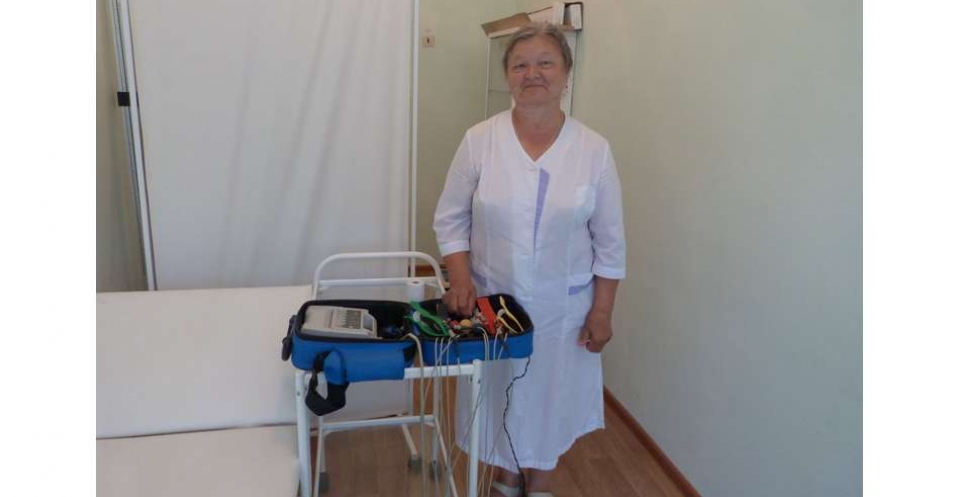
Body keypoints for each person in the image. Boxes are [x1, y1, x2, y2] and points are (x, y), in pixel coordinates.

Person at [433, 22, 626, 497]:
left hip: (565, 307)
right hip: (493, 299)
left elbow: (610, 243)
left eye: (545, 63)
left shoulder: (593, 150)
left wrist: (602, 311)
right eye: (520, 65)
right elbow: (450, 219)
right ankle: (506, 478)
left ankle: (540, 482)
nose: (532, 73)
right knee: (501, 390)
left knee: (551, 397)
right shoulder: (480, 140)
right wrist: (460, 279)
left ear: (566, 74)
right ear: (508, 76)